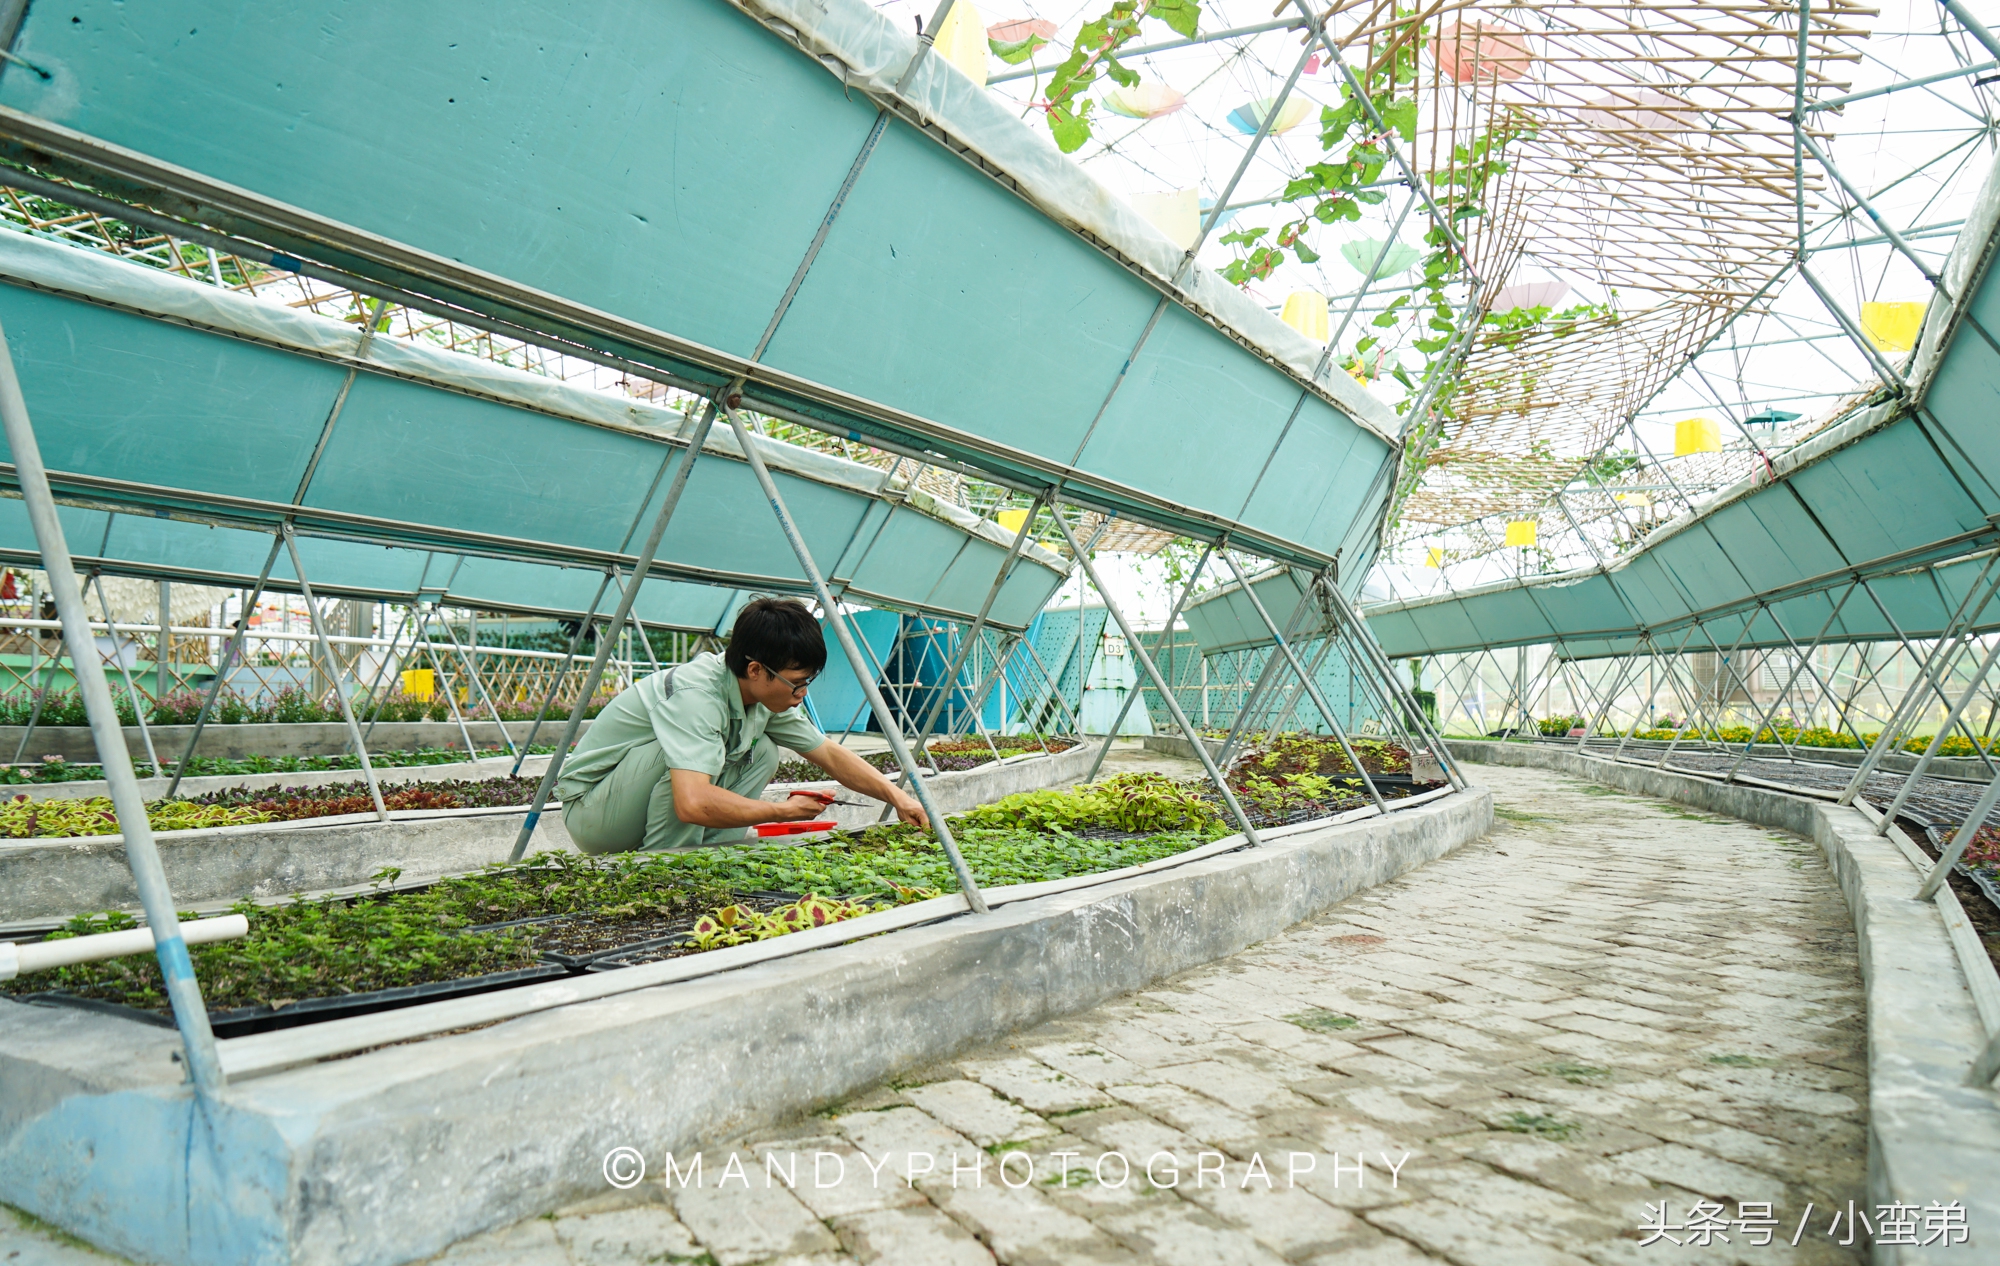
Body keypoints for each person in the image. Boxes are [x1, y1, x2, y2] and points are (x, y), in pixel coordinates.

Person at [557, 596, 928, 853]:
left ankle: (714, 853)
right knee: (684, 765)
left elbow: (829, 754)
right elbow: (692, 803)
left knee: (763, 750)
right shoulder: (696, 694)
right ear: (755, 670)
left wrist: (898, 796)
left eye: (807, 682)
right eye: (796, 682)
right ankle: (667, 863)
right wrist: (782, 812)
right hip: (594, 814)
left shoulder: (764, 698)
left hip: (629, 803)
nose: (801, 693)